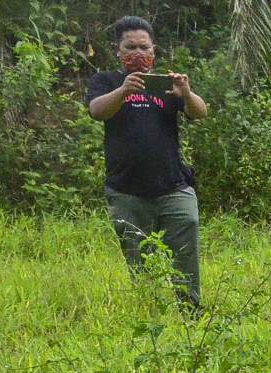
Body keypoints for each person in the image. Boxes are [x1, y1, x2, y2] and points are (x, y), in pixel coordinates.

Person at [86, 16, 208, 309]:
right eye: (131, 47)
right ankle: (149, 316)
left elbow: (200, 112)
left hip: (173, 186)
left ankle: (190, 314)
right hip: (126, 190)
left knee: (186, 254)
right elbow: (96, 111)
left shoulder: (167, 84)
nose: (138, 53)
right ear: (118, 49)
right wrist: (124, 90)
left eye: (144, 47)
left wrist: (186, 93)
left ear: (154, 50)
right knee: (138, 259)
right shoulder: (106, 81)